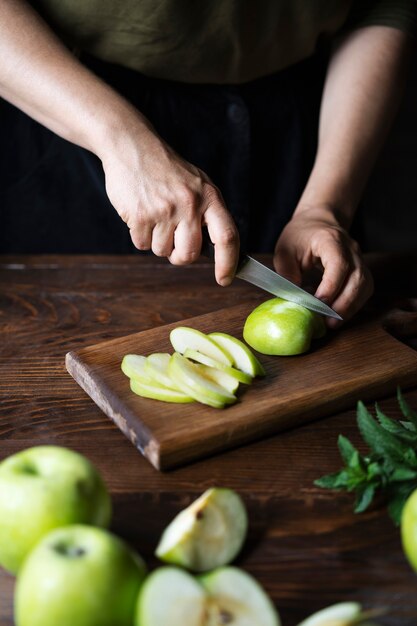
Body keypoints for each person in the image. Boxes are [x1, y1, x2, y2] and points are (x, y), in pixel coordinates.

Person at [0, 1, 415, 327]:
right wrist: (123, 141)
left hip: (318, 112)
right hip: (68, 97)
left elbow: (382, 6)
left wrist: (325, 206)